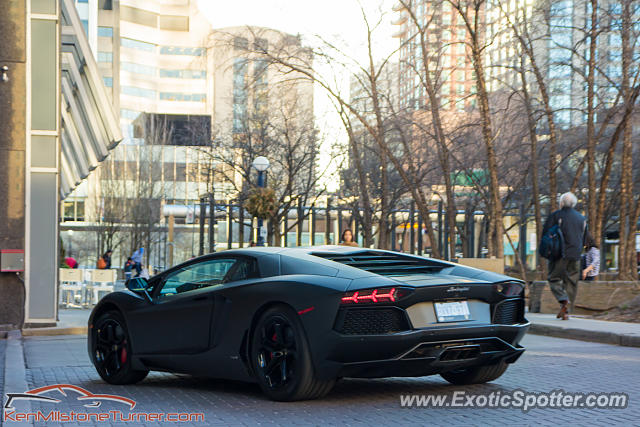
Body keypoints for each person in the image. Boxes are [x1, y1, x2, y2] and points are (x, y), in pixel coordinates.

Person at [542, 192, 587, 320]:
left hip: (559, 254)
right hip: (576, 255)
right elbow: (584, 237)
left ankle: (563, 299)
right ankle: (566, 311)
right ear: (574, 204)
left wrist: (546, 252)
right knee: (572, 282)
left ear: (561, 203)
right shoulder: (581, 218)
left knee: (553, 278)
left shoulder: (556, 216)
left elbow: (546, 235)